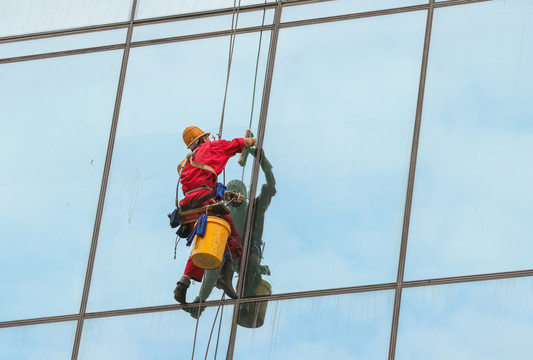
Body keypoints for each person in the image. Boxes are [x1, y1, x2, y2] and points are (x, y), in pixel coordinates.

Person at [184, 148, 276, 319]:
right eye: (230, 190)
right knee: (213, 268)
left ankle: (246, 307)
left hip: (247, 253)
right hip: (229, 254)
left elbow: (270, 186)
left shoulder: (252, 208)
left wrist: (261, 160)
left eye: (237, 190)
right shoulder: (223, 211)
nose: (233, 194)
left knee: (249, 270)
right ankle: (199, 303)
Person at [173, 126, 256, 304]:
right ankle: (224, 278)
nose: (209, 140)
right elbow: (234, 145)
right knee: (233, 238)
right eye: (207, 138)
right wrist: (250, 142)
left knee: (205, 242)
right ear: (203, 139)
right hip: (204, 202)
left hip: (190, 205)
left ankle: (184, 281)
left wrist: (224, 195)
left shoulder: (187, 161)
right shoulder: (209, 148)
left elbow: (198, 184)